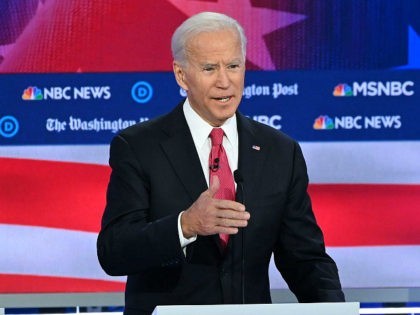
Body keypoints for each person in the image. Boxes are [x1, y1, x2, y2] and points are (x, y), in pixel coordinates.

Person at [97, 11, 345, 315]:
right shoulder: (138, 147)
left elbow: (305, 259)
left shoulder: (280, 151)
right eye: (209, 68)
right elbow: (114, 251)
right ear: (181, 74)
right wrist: (185, 225)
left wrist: (335, 310)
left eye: (233, 66)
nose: (224, 81)